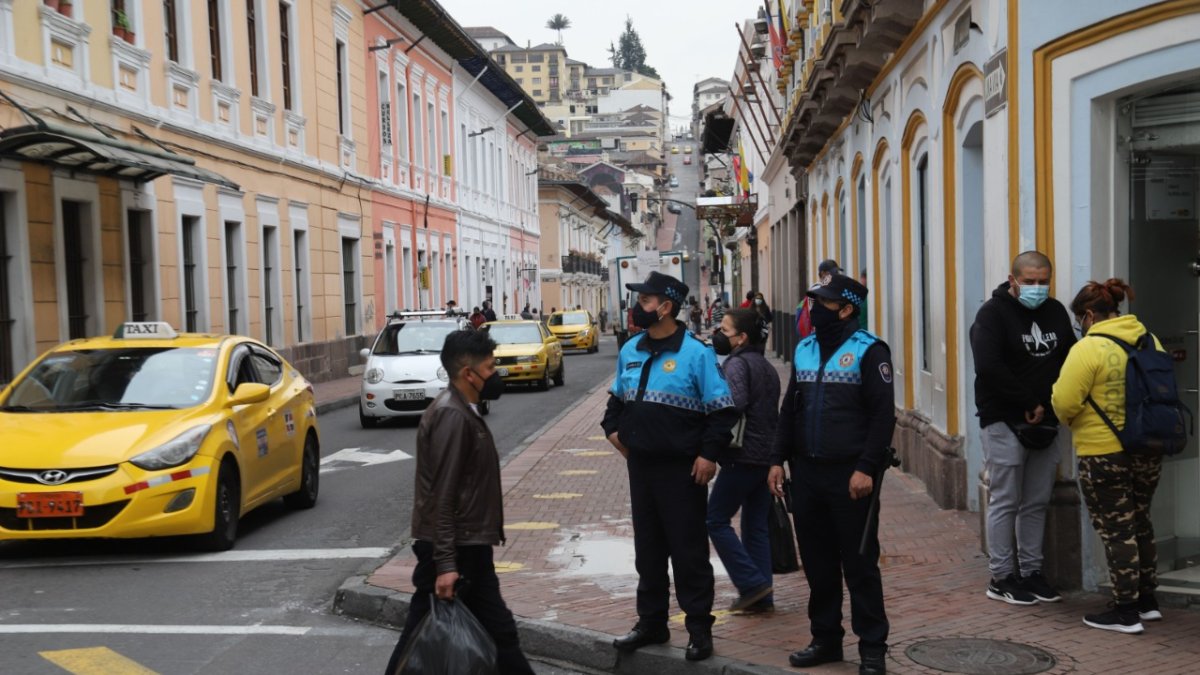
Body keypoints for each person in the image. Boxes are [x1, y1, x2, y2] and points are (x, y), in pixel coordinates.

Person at [600, 271, 738, 663]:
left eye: (644, 301)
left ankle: (698, 628)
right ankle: (652, 622)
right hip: (641, 469)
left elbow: (722, 412)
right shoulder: (631, 349)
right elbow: (616, 404)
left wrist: (708, 456)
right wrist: (615, 433)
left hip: (683, 470)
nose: (637, 308)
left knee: (688, 552)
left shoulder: (697, 353)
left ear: (666, 306)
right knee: (648, 551)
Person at [384, 329, 534, 675]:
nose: (497, 374)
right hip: (456, 549)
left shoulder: (462, 409)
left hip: (468, 546)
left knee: (501, 634)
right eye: (491, 367)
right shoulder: (452, 416)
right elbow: (443, 494)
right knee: (420, 637)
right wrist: (446, 563)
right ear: (469, 374)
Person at [769, 274, 894, 675]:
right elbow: (790, 410)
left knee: (859, 565)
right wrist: (776, 459)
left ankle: (872, 648)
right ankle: (825, 639)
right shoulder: (804, 349)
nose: (814, 309)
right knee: (819, 565)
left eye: (823, 303)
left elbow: (881, 417)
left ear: (845, 309)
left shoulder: (870, 352)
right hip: (806, 474)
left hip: (850, 478)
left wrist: (865, 468)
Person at [1051, 279, 1163, 634]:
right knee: (1141, 521)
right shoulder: (1149, 339)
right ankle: (1147, 602)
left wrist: (1076, 419)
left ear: (1088, 316)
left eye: (1079, 320)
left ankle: (1126, 612)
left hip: (1103, 452)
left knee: (1118, 530)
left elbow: (1064, 403)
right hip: (1148, 447)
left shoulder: (1089, 349)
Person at [970, 251, 1075, 607]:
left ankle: (1032, 572)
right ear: (1012, 280)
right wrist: (1028, 402)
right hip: (1003, 418)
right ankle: (1001, 577)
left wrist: (1054, 404)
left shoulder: (1056, 312)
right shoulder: (992, 314)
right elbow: (989, 367)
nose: (1037, 287)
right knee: (1005, 499)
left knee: (1036, 500)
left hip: (1047, 421)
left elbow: (1068, 359)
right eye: (1029, 281)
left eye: (1043, 280)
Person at [707, 308, 780, 614]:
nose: (718, 335)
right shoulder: (766, 366)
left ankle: (750, 583)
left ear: (741, 338)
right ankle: (762, 597)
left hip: (741, 457)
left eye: (724, 330)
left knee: (715, 519)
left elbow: (733, 404)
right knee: (755, 526)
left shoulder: (737, 365)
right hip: (764, 457)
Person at [796, 259, 841, 338]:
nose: (836, 275)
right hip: (819, 334)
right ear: (823, 274)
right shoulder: (816, 289)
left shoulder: (830, 288)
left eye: (837, 272)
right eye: (833, 273)